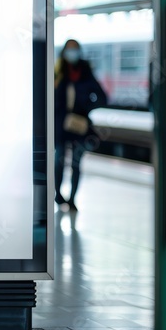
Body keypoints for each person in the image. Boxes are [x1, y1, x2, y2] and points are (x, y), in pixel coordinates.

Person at [54, 39, 107, 211]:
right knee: (58, 160)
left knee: (76, 162)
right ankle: (58, 194)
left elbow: (102, 97)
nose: (72, 53)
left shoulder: (85, 72)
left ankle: (72, 199)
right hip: (60, 125)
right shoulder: (57, 72)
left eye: (75, 49)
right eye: (69, 49)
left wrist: (86, 107)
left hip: (79, 125)